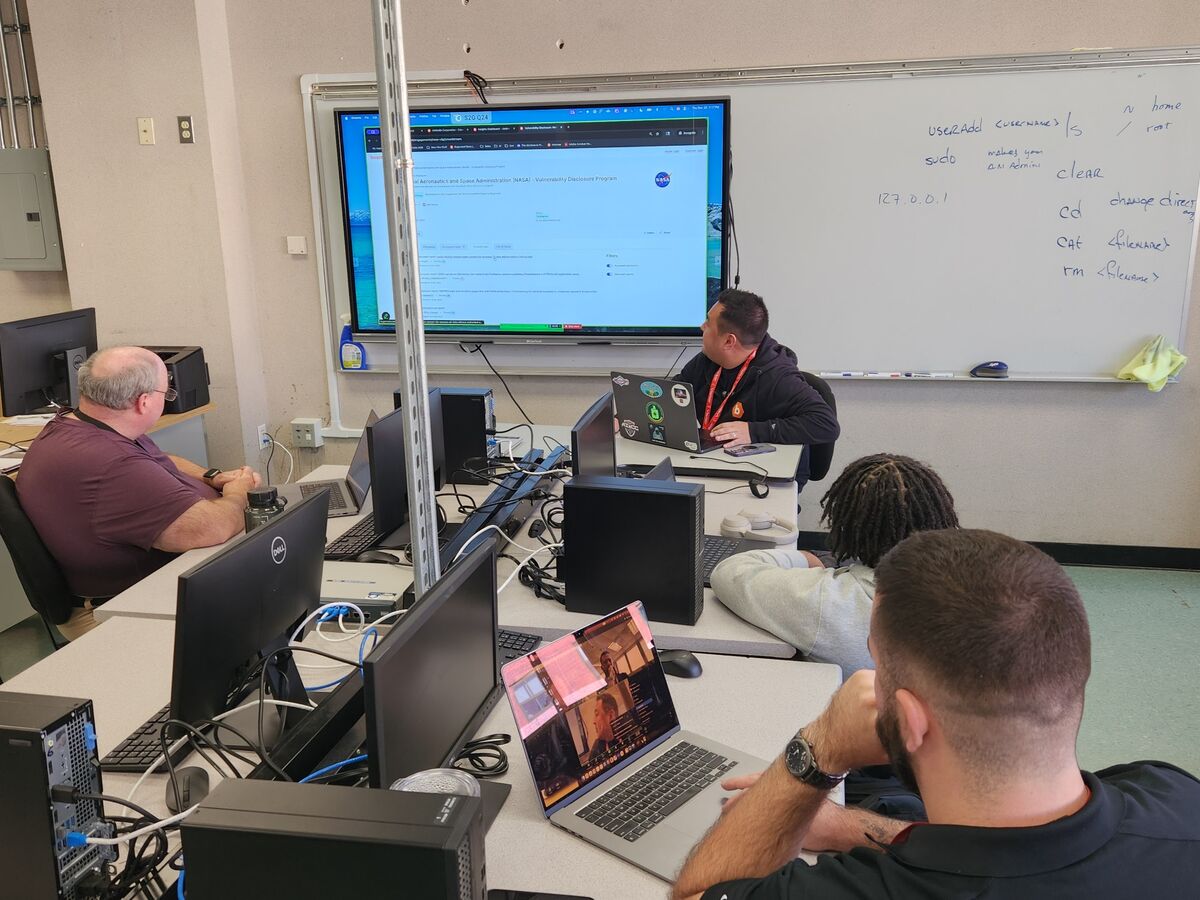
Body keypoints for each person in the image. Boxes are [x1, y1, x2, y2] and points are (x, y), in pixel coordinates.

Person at [672, 529, 1200, 899]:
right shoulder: (1173, 795)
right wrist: (849, 827)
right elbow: (1023, 848)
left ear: (910, 720)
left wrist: (818, 750)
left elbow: (698, 893)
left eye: (877, 668)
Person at [17, 346, 261, 640]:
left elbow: (160, 458)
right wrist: (239, 493)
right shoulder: (110, 464)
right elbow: (212, 528)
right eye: (165, 394)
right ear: (144, 402)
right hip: (119, 608)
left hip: (138, 586)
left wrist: (213, 477)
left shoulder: (80, 425)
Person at [710, 454, 958, 673]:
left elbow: (729, 572)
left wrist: (803, 558)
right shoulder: (971, 593)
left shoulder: (828, 601)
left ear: (845, 527)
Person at [678, 289, 839, 488]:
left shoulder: (779, 377)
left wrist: (753, 431)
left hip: (764, 479)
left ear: (729, 341)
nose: (702, 327)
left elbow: (826, 424)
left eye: (708, 323)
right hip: (713, 465)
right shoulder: (709, 360)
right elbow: (677, 394)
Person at [589, 692, 620, 759]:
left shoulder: (628, 736)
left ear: (611, 716)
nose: (594, 721)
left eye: (597, 714)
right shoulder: (601, 743)